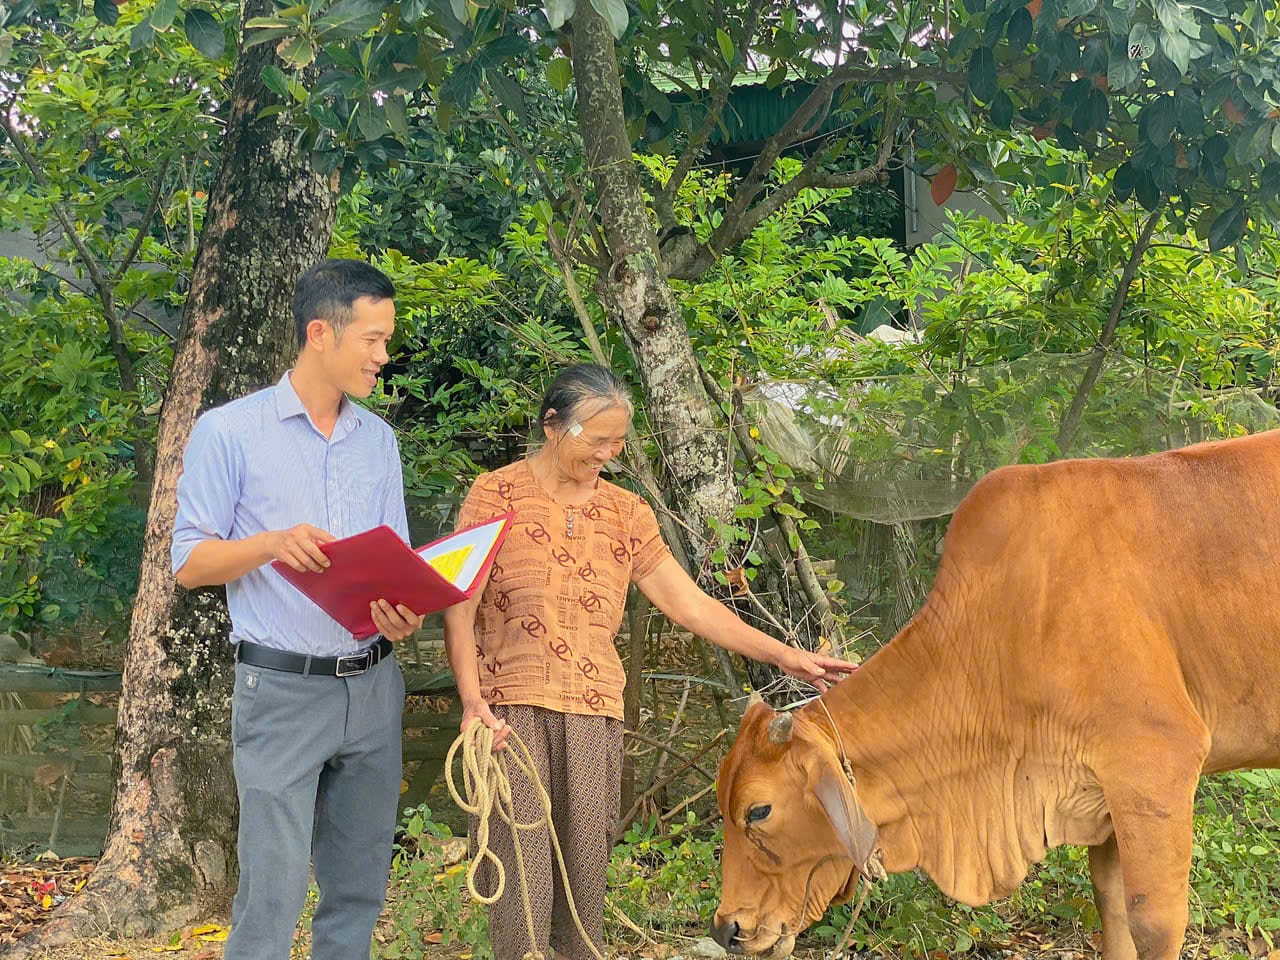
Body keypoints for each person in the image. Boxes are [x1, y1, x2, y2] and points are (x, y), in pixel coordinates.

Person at [443, 363, 859, 960]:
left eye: (619, 442)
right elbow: (461, 604)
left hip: (593, 711)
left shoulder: (626, 512)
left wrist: (784, 655)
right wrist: (471, 699)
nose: (609, 454)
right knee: (520, 878)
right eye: (598, 440)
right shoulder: (495, 494)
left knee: (582, 878)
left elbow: (688, 603)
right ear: (553, 425)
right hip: (508, 714)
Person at [171, 259, 424, 960]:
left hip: (374, 686)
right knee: (274, 890)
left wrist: (405, 613)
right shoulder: (229, 432)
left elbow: (395, 563)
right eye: (372, 339)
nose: (383, 356)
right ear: (321, 333)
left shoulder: (379, 440)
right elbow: (189, 563)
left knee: (359, 885)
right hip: (281, 690)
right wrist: (272, 544)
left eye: (386, 339)